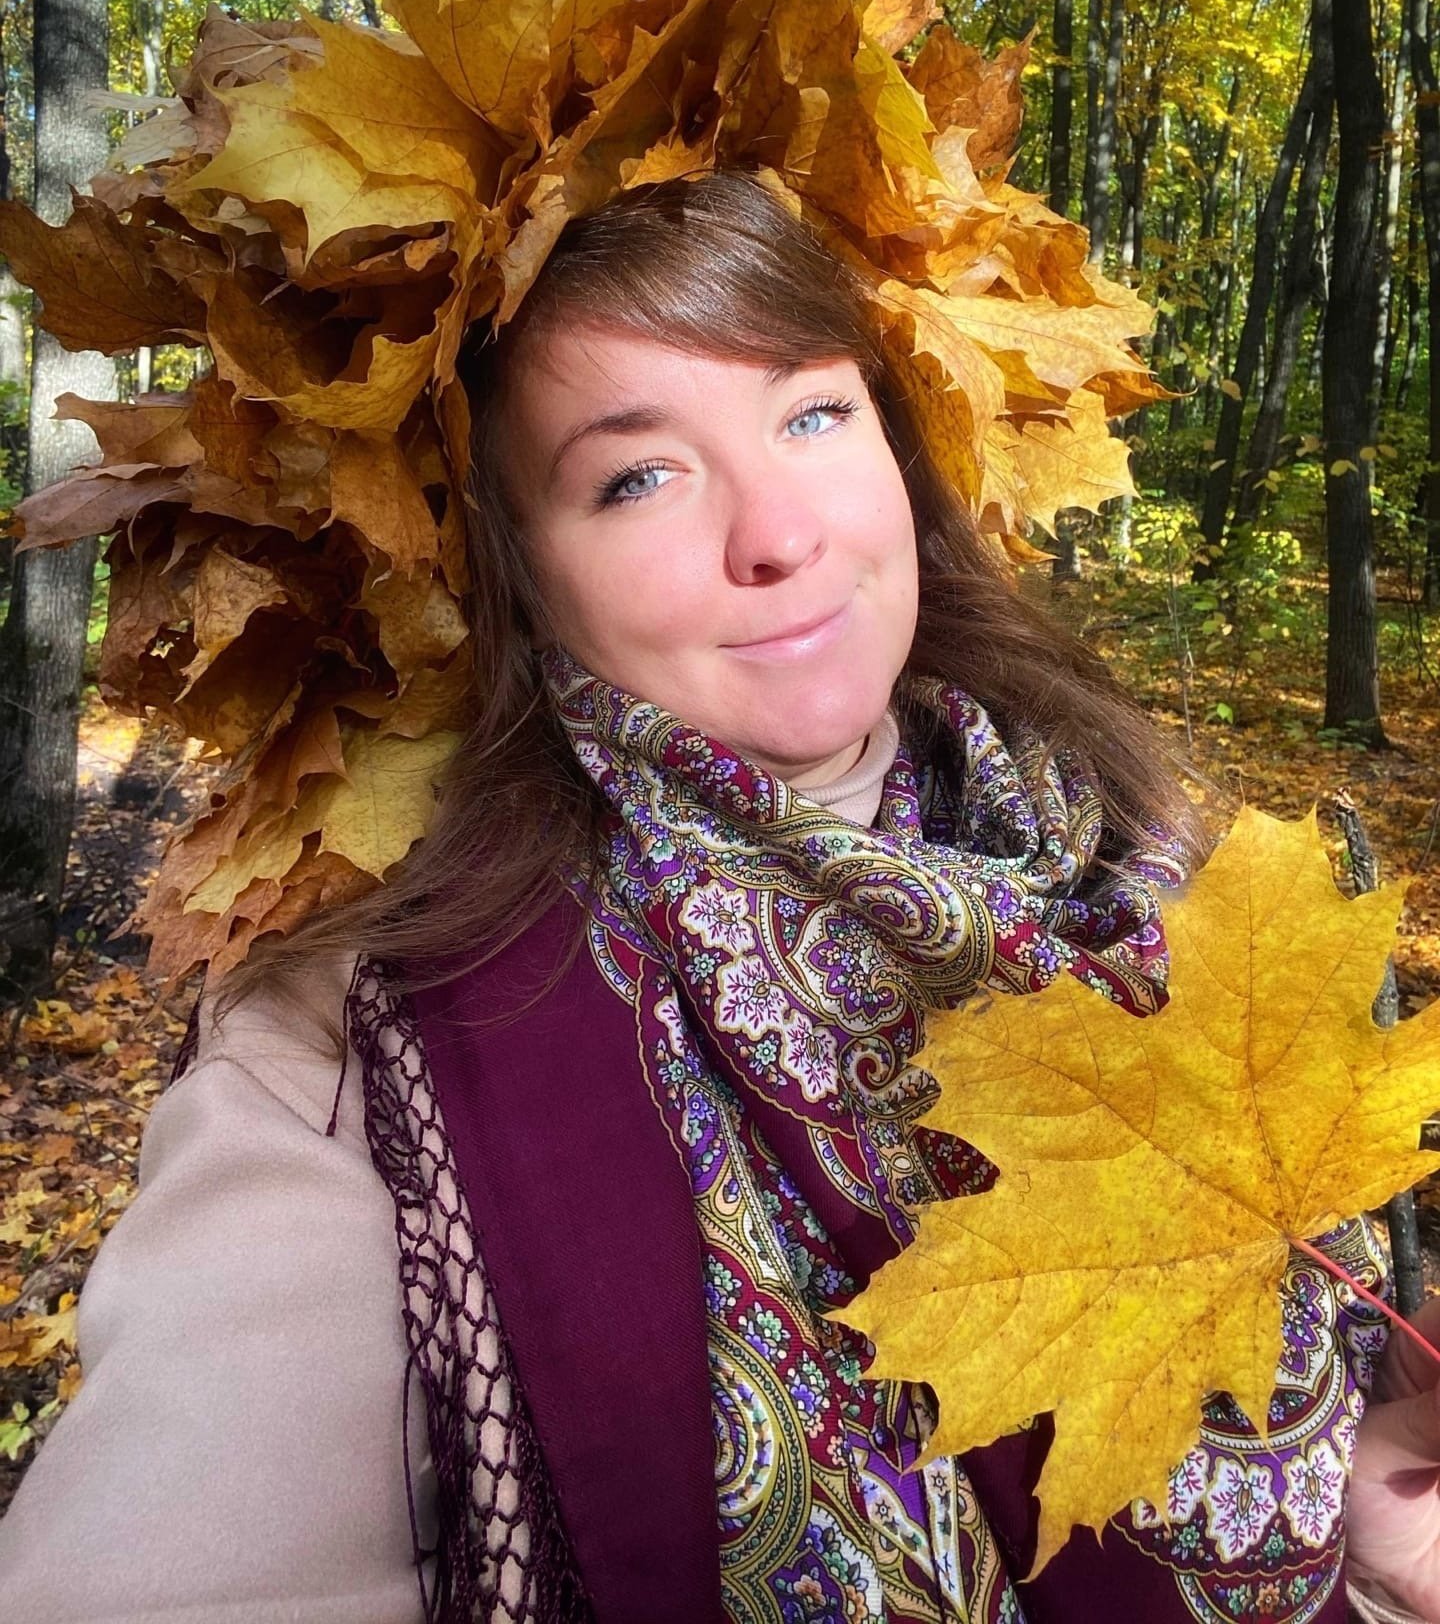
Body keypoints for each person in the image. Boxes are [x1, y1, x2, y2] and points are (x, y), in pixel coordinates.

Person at [1, 170, 1438, 1624]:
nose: (779, 534)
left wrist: (1374, 1571)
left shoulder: (1171, 873)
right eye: (636, 477)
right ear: (511, 572)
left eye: (812, 413)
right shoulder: (358, 1063)